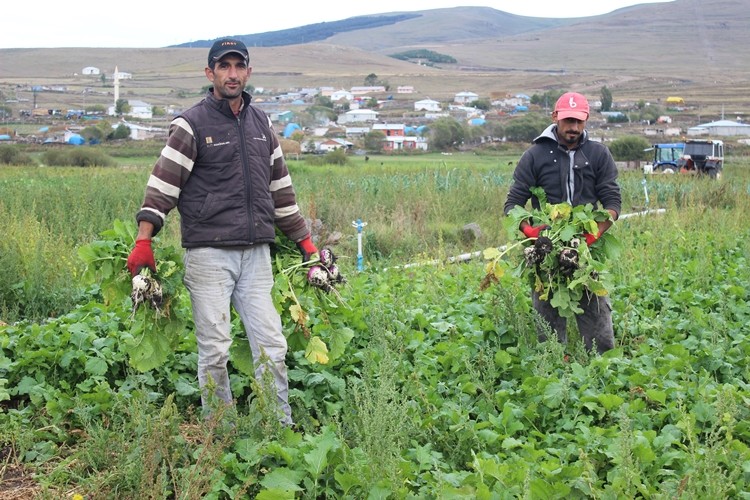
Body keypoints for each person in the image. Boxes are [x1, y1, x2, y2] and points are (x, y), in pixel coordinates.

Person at [126, 38, 317, 426]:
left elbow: (281, 189)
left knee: (272, 345)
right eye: (223, 67)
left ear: (248, 71)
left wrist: (306, 243)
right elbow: (162, 185)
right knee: (214, 349)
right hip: (209, 254)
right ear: (209, 72)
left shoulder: (261, 123)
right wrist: (143, 240)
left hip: (256, 254)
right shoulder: (191, 124)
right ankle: (220, 431)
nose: (232, 74)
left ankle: (278, 426)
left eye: (238, 66)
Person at [503, 92, 621, 354]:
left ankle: (604, 368)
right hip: (546, 248)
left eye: (579, 122)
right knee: (548, 316)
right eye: (568, 121)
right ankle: (553, 365)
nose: (574, 128)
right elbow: (512, 206)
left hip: (586, 250)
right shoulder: (535, 155)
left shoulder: (598, 154)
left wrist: (594, 233)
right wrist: (531, 231)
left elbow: (613, 204)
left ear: (586, 120)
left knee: (598, 314)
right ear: (555, 117)